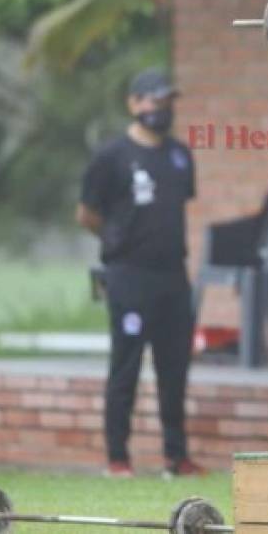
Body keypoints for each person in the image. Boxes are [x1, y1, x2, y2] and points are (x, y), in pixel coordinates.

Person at [76, 69, 205, 478]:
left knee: (175, 368)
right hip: (128, 275)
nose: (159, 109)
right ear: (133, 104)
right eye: (151, 100)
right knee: (126, 365)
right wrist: (117, 240)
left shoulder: (180, 156)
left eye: (166, 101)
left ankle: (176, 456)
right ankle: (118, 457)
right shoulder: (111, 157)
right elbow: (86, 215)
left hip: (173, 277)